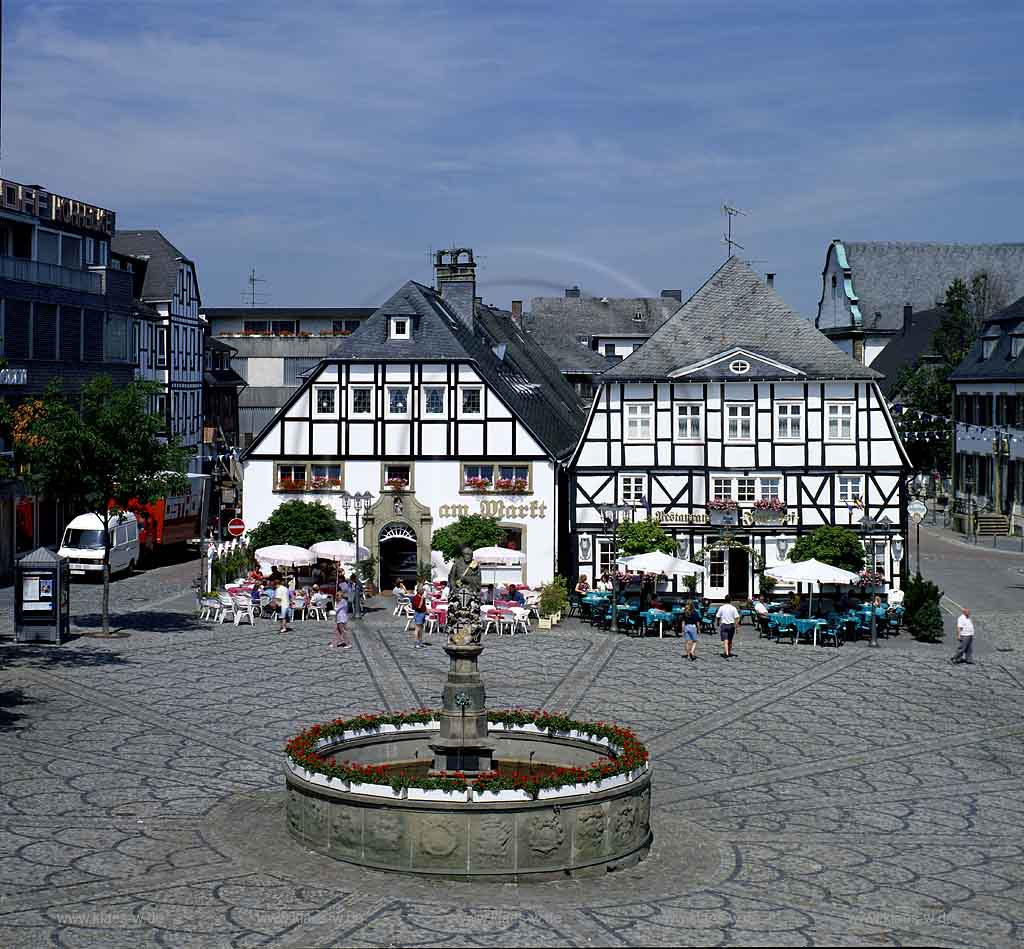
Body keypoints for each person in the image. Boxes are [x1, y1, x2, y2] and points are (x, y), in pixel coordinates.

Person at [716, 594, 740, 658]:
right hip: (731, 625)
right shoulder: (733, 608)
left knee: (725, 640)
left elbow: (718, 616)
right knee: (730, 640)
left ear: (725, 600)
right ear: (730, 600)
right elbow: (737, 617)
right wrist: (737, 627)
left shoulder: (722, 607)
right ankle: (728, 652)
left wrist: (718, 622)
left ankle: (726, 653)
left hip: (724, 625)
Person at [411, 583, 429, 649]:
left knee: (421, 629)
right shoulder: (415, 598)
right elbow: (419, 607)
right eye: (422, 590)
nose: (423, 591)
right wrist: (421, 599)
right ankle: (416, 643)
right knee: (417, 629)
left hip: (423, 613)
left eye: (423, 590)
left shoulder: (422, 597)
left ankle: (420, 642)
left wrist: (427, 610)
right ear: (418, 590)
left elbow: (424, 605)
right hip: (418, 614)